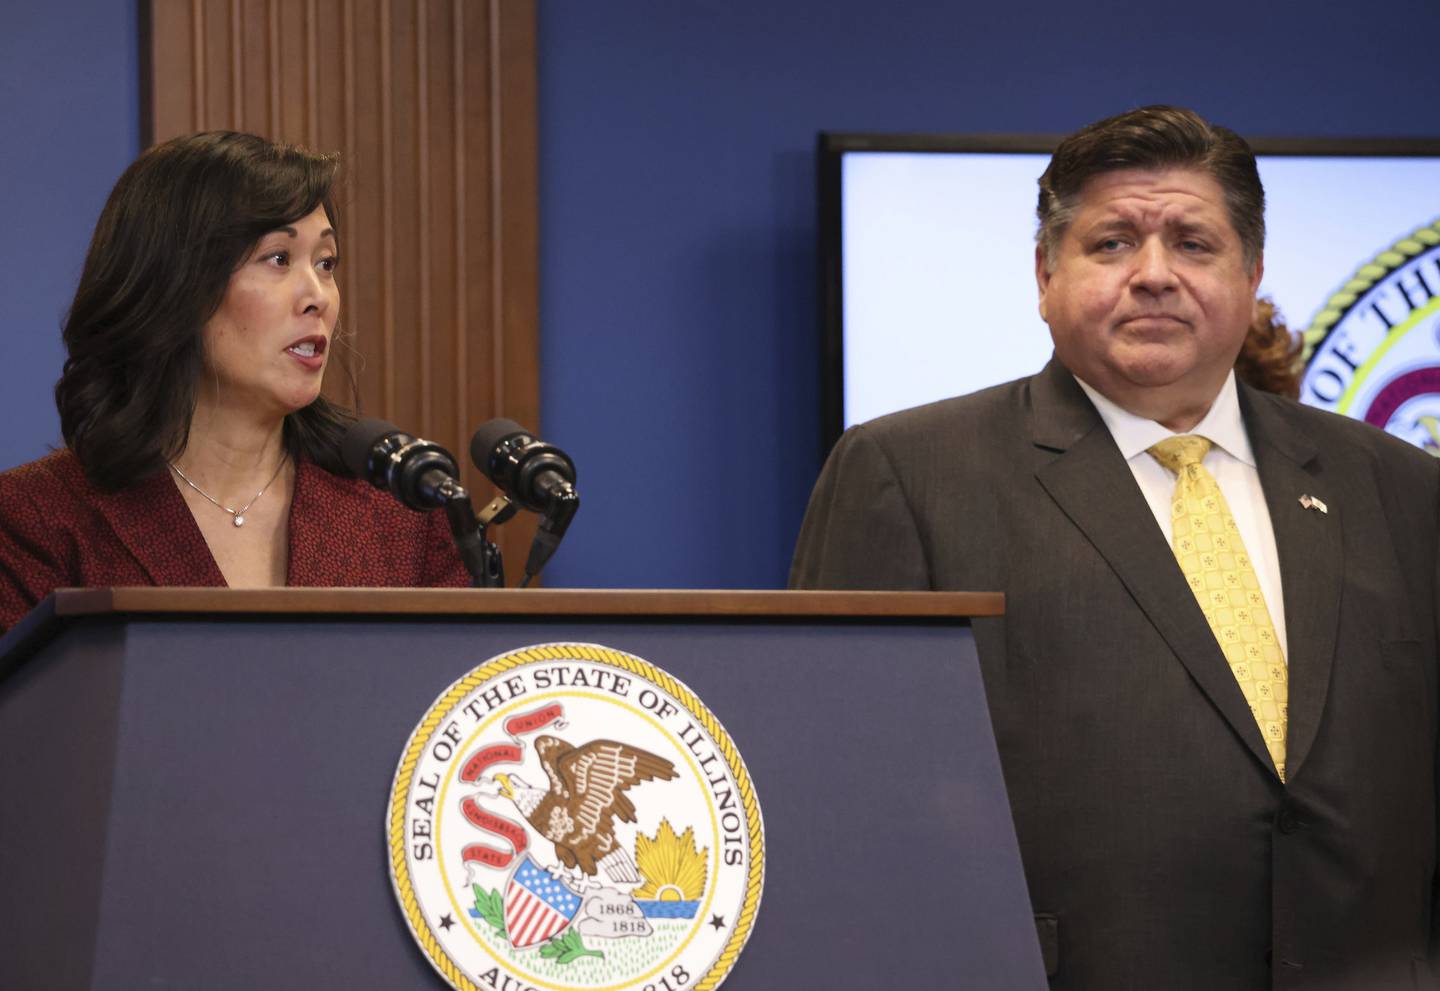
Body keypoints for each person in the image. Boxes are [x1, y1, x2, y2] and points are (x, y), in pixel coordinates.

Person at [792, 106, 1438, 990]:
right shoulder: (906, 473)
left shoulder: (1402, 487)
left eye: (1194, 244)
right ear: (1044, 273)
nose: (1155, 275)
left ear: (1251, 274)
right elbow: (845, 797)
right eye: (1112, 243)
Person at [0, 132, 469, 632]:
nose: (318, 297)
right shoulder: (37, 520)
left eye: (326, 263)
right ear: (174, 283)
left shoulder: (402, 511)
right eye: (278, 259)